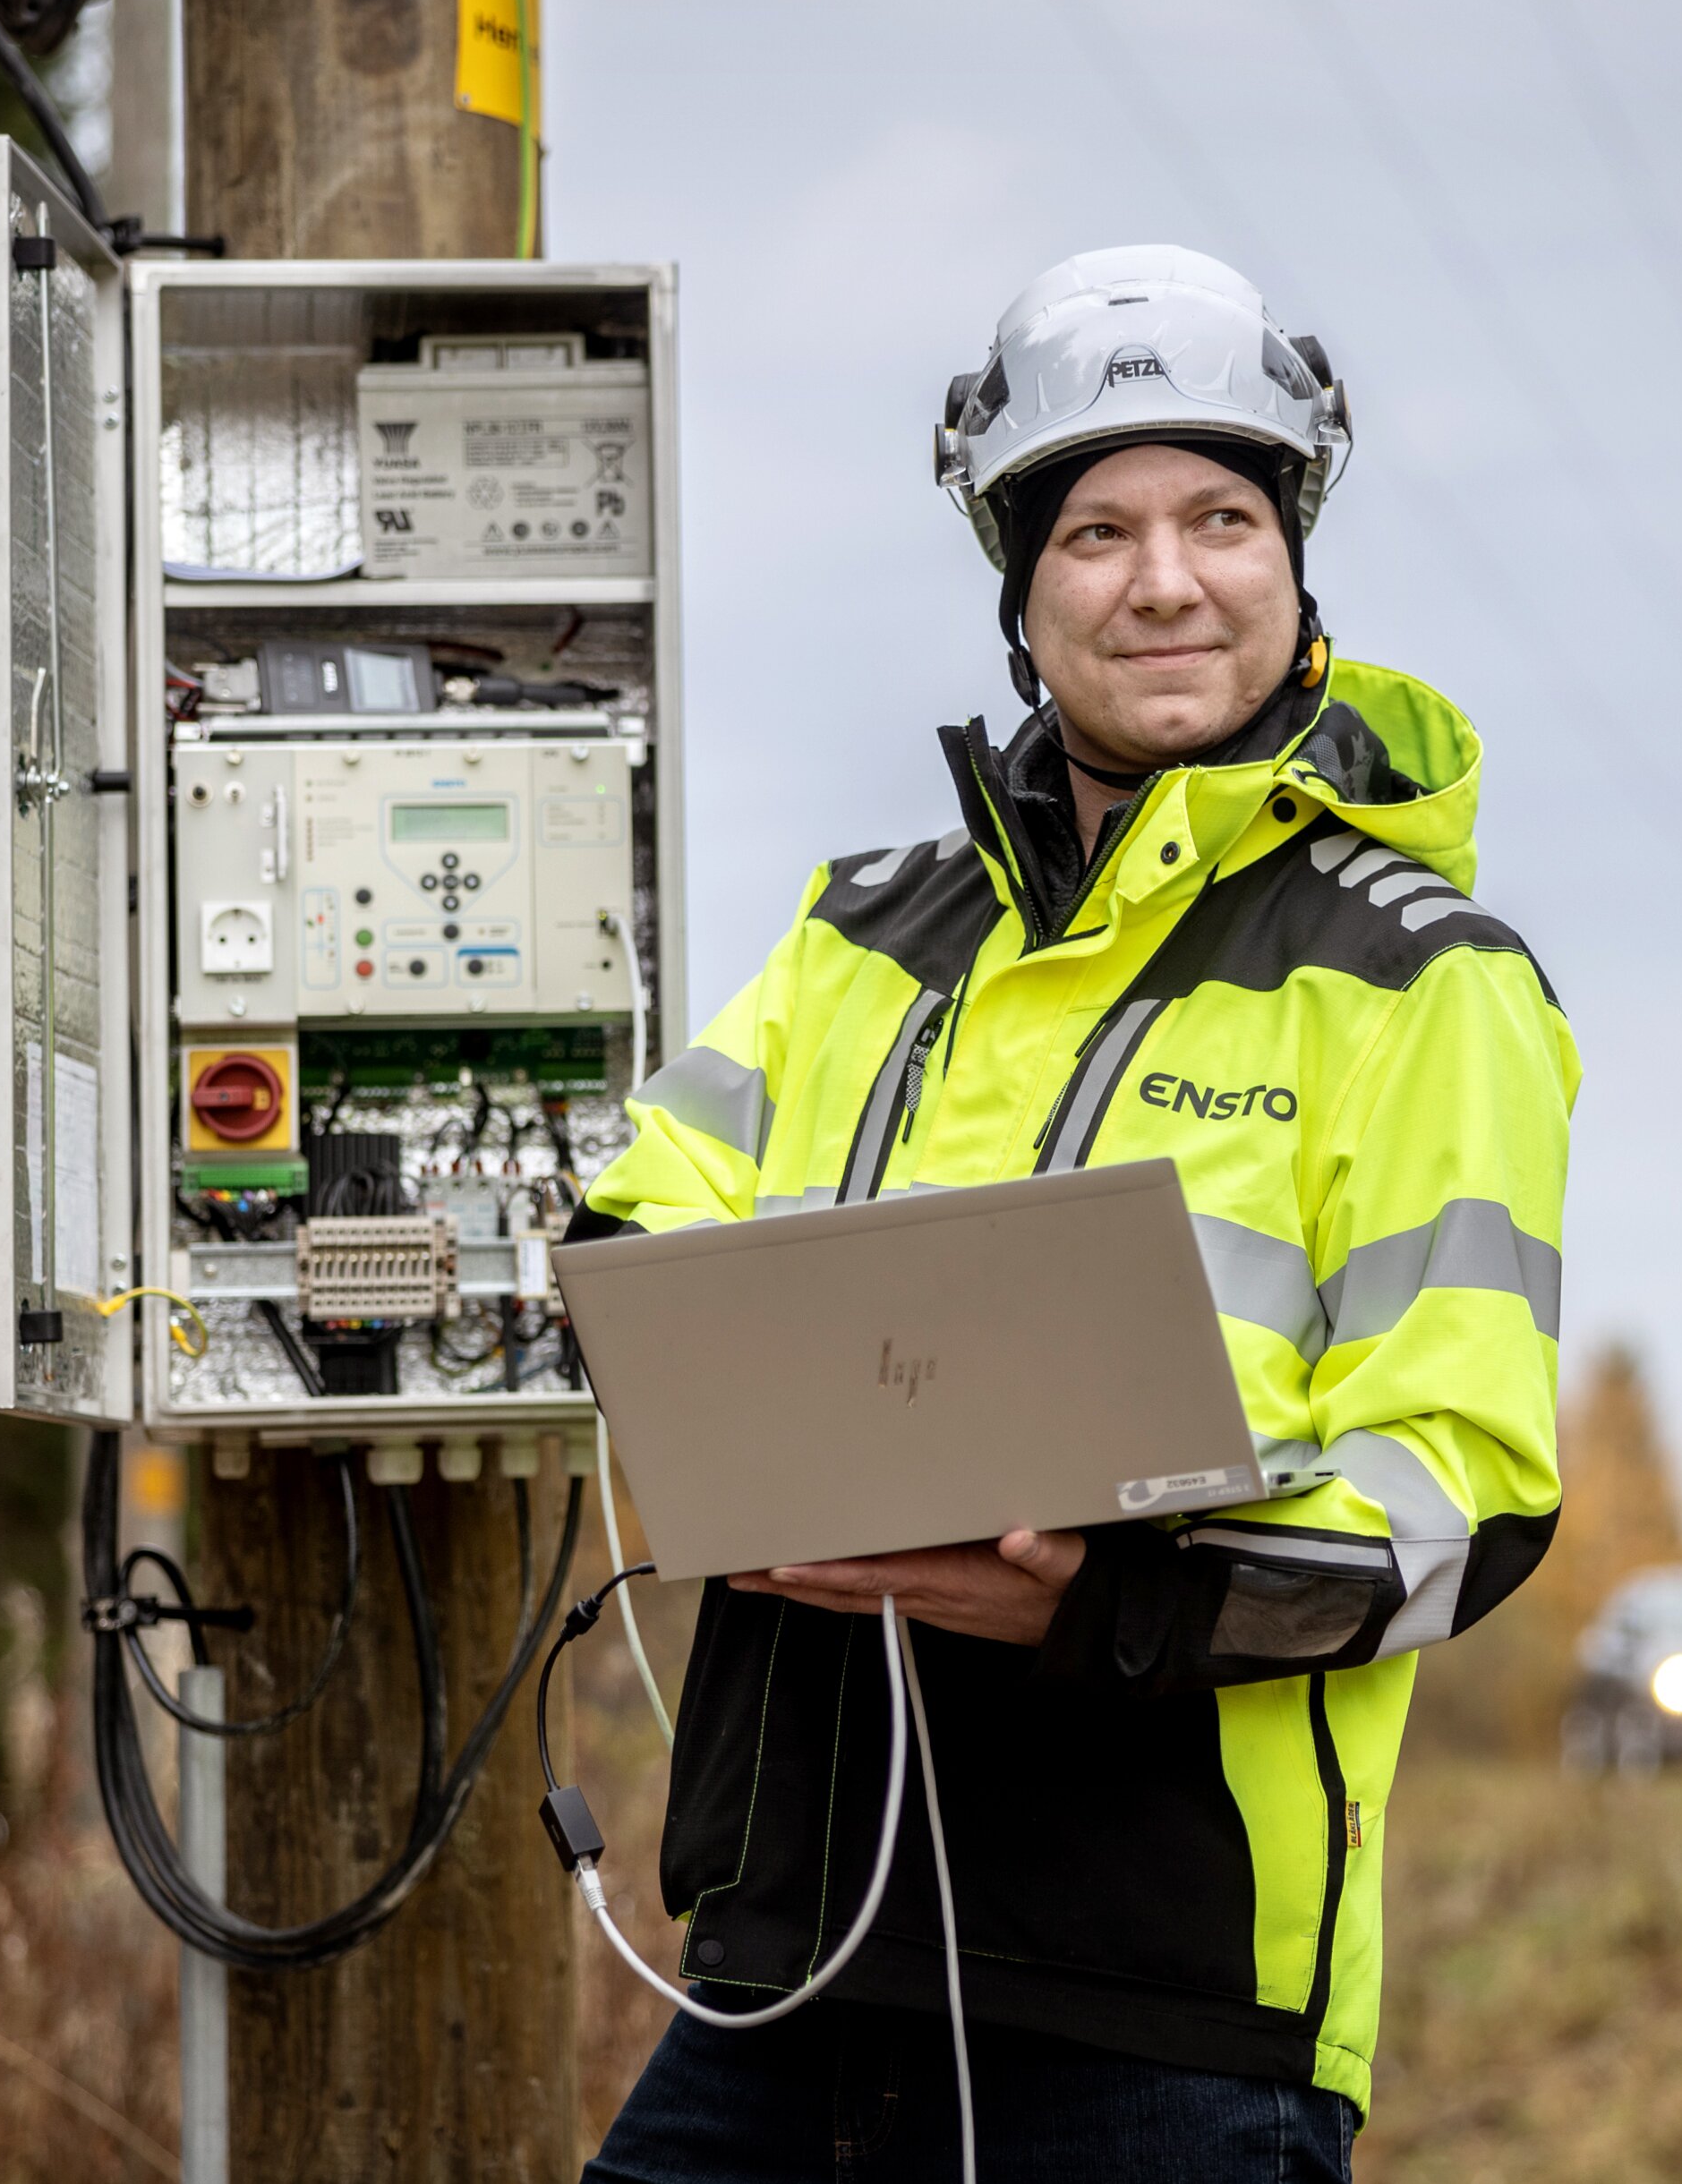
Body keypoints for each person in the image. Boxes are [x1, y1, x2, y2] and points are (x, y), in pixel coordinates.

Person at [573, 246, 1580, 2182]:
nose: (1165, 577)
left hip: (1161, 2015)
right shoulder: (862, 929)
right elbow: (637, 1226)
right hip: (792, 1962)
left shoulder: (1423, 986)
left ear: (1294, 565)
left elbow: (1468, 1494)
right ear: (1021, 594)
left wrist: (1096, 1595)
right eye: (1096, 528)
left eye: (1222, 516)